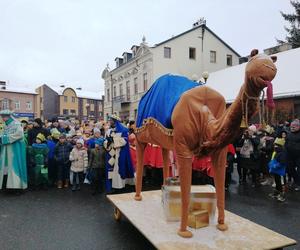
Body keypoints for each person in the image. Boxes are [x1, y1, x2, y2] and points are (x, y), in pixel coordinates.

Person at [104, 115, 135, 192]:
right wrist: (107, 143)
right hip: (110, 152)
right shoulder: (108, 131)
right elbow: (105, 141)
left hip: (119, 153)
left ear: (115, 121)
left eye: (111, 120)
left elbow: (124, 141)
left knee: (118, 169)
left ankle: (119, 186)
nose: (109, 122)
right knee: (110, 169)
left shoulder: (123, 130)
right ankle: (110, 186)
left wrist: (114, 140)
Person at [0, 110, 27, 190]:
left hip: (15, 150)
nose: (2, 118)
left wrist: (4, 138)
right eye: (2, 116)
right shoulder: (6, 125)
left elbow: (19, 134)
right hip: (7, 149)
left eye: (3, 116)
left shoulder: (16, 124)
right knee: (7, 167)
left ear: (8, 116)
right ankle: (8, 186)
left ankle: (17, 187)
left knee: (15, 166)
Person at [285, 119, 300, 191]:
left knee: (299, 171)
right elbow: (286, 143)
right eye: (292, 126)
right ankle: (296, 181)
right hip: (290, 155)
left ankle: (298, 184)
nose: (293, 127)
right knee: (289, 169)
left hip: (298, 156)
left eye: (295, 126)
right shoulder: (289, 134)